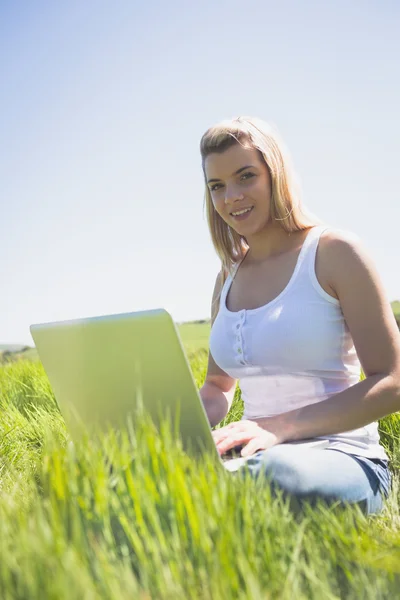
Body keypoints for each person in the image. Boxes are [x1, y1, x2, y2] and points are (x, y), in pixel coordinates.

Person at [198, 115, 400, 515]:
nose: (231, 197)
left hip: (343, 456)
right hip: (254, 454)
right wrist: (169, 426)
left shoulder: (335, 253)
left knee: (270, 477)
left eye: (245, 176)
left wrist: (280, 426)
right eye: (217, 186)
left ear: (277, 175)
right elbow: (218, 388)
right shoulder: (227, 276)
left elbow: (393, 381)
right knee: (132, 476)